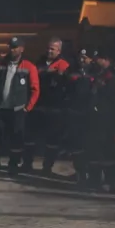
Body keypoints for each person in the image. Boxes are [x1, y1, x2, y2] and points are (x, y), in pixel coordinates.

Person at [0, 37, 40, 176]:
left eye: (15, 47)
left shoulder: (29, 66)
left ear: (22, 48)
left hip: (18, 109)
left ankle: (13, 165)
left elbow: (35, 89)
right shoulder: (1, 63)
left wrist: (28, 108)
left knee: (16, 139)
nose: (12, 50)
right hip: (0, 108)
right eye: (11, 47)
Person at [23, 38, 69, 173]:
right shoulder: (39, 62)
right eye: (48, 48)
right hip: (38, 105)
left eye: (52, 49)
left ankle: (47, 167)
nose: (49, 51)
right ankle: (26, 164)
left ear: (59, 50)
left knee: (52, 140)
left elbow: (65, 85)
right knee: (30, 137)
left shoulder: (64, 64)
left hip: (54, 108)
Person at [86, 50, 115, 189]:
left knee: (108, 153)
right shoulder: (99, 74)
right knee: (96, 151)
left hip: (108, 121)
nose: (95, 60)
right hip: (96, 120)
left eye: (98, 58)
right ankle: (95, 179)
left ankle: (110, 180)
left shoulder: (112, 77)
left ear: (106, 59)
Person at [64, 49, 97, 184]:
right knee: (76, 145)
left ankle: (92, 174)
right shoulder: (72, 71)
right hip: (75, 113)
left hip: (90, 115)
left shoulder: (95, 73)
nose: (82, 60)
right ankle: (80, 172)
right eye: (80, 57)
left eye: (85, 57)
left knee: (90, 145)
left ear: (91, 59)